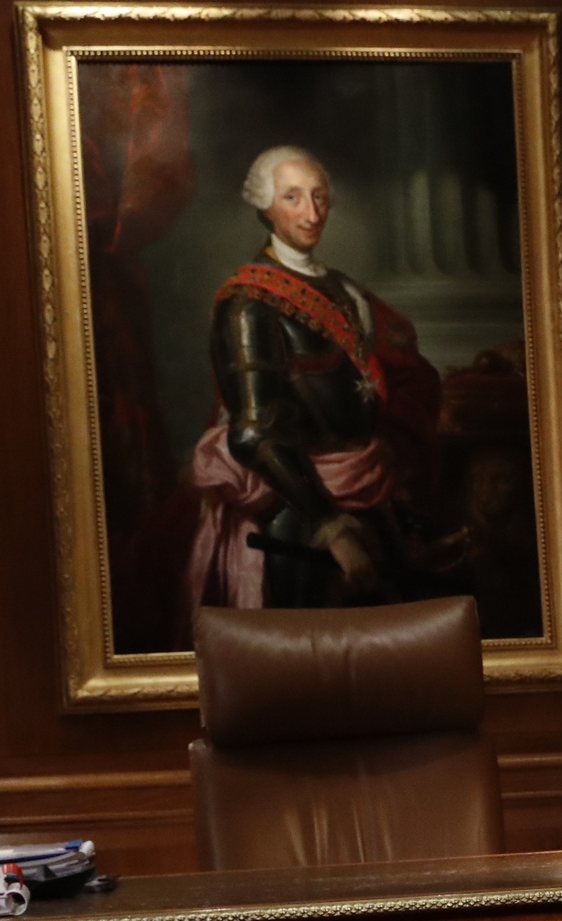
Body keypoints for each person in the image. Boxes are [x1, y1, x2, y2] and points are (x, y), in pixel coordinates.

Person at [184, 146, 449, 618]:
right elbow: (256, 432)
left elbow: (388, 381)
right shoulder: (248, 304)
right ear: (264, 207)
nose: (311, 213)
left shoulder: (345, 290)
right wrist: (332, 528)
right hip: (297, 513)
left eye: (319, 197)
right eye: (292, 198)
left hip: (370, 490)